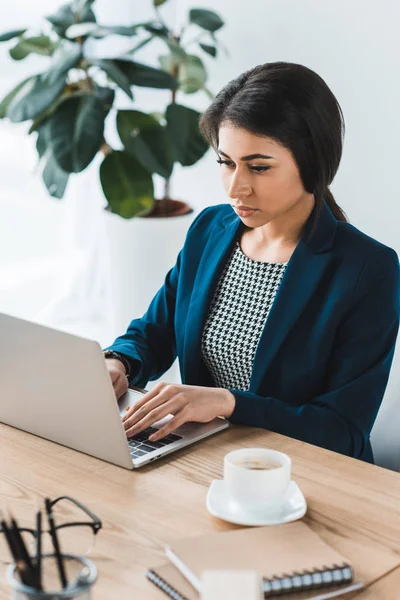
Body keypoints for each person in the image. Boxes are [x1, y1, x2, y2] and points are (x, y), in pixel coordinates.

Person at [103, 62, 400, 463]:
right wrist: (118, 361)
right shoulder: (210, 228)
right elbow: (153, 333)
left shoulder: (368, 269)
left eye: (259, 167)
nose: (236, 187)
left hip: (305, 477)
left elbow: (342, 431)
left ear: (312, 162)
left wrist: (229, 403)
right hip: (205, 460)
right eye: (226, 162)